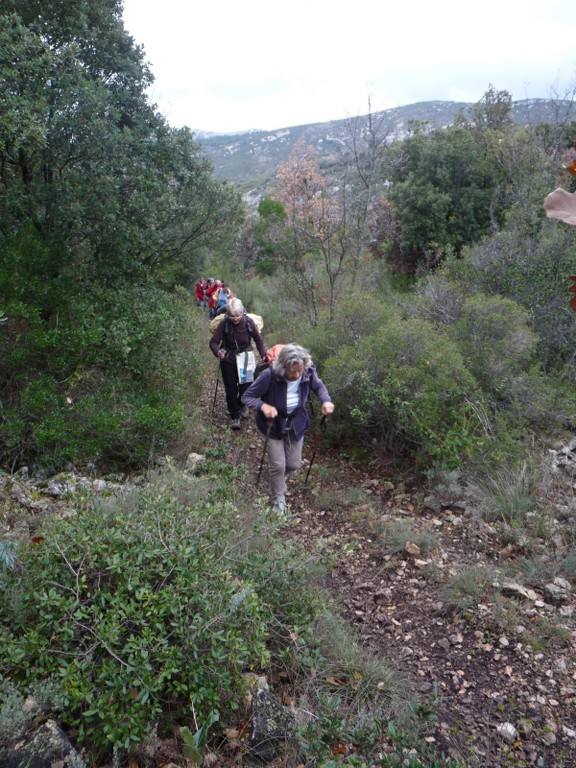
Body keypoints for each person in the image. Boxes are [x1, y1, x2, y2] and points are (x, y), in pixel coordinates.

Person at [241, 343, 334, 513]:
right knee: (278, 465)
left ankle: (277, 480)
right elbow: (247, 397)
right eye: (292, 371)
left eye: (299, 371)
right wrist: (263, 406)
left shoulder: (308, 371)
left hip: (296, 423)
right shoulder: (270, 375)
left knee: (293, 464)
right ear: (283, 366)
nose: (296, 374)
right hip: (272, 424)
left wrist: (326, 400)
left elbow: (319, 387)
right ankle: (279, 498)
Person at [209, 298, 267, 430]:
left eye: (238, 315)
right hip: (228, 359)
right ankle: (235, 416)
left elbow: (258, 339)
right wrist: (217, 352)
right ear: (227, 314)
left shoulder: (248, 322)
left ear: (242, 313)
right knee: (230, 390)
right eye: (232, 316)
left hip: (245, 358)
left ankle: (242, 404)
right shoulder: (224, 323)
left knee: (246, 387)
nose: (235, 318)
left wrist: (264, 354)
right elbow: (213, 342)